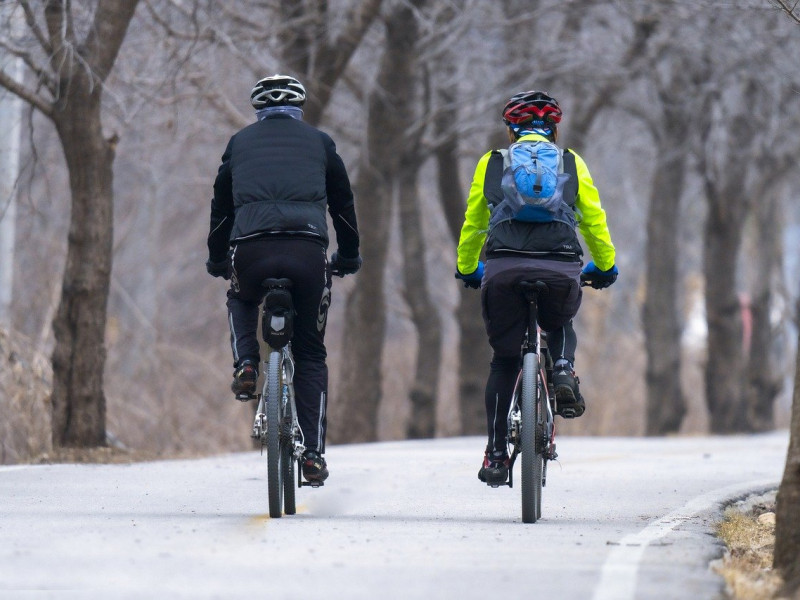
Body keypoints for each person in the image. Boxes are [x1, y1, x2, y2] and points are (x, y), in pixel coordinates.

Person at [454, 90, 618, 486]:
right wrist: (607, 265)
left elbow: (475, 220)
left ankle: (495, 454)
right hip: (560, 265)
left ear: (512, 130)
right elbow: (592, 218)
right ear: (553, 130)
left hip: (504, 268)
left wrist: (467, 267)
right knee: (560, 317)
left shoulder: (492, 162)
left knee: (504, 360)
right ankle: (561, 369)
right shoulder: (571, 162)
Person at [206, 74, 361, 483]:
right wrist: (349, 254)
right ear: (300, 107)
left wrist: (217, 257)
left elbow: (221, 206)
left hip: (251, 250)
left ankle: (246, 364)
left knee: (240, 298)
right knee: (310, 354)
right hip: (307, 252)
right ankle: (312, 454)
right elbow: (342, 204)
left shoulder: (238, 144)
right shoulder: (320, 142)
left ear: (258, 109)